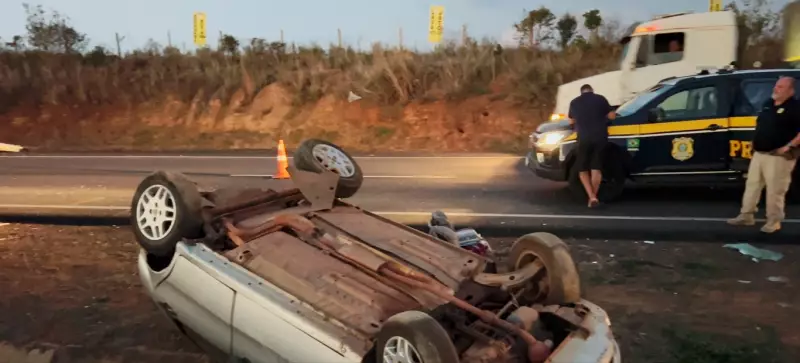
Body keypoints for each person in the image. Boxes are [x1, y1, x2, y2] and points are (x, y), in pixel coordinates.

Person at [727, 76, 800, 233]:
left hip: (778, 156)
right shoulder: (769, 104)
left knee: (775, 190)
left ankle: (774, 221)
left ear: (790, 90)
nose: (776, 88)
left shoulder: (795, 108)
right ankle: (746, 215)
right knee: (752, 185)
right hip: (760, 153)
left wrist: (788, 146)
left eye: (780, 87)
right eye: (776, 85)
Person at [568, 84, 616, 207]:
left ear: (581, 92)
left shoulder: (574, 102)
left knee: (582, 169)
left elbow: (571, 121)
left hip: (583, 138)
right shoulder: (601, 99)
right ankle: (593, 198)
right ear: (592, 91)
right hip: (600, 137)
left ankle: (591, 196)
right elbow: (612, 116)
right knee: (596, 168)